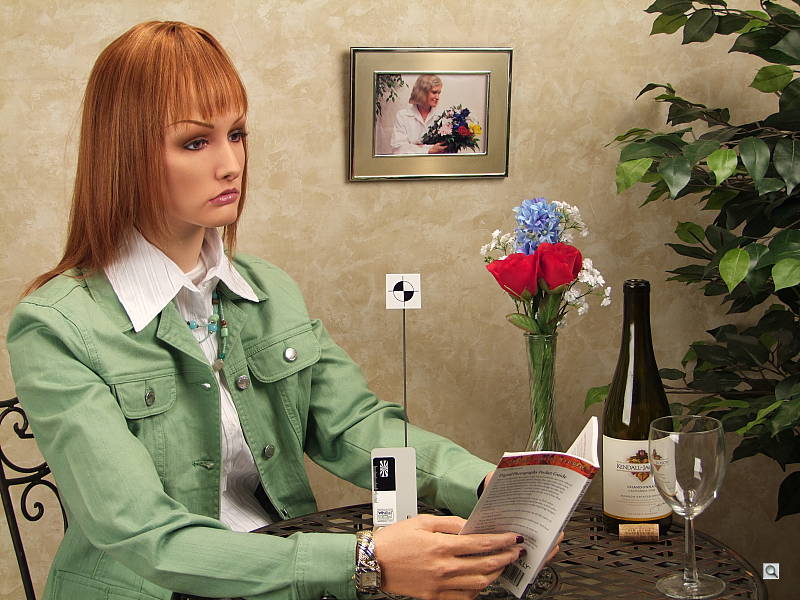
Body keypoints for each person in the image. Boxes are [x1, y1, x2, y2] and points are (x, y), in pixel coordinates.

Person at [7, 22, 560, 600]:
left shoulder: (266, 289)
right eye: (195, 142)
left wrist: (490, 486)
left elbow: (353, 425)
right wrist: (367, 561)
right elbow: (144, 534)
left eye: (236, 134)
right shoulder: (56, 328)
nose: (231, 164)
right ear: (125, 155)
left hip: (283, 573)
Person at [390, 74, 449, 155]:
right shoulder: (403, 116)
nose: (437, 97)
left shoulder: (442, 116)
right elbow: (398, 150)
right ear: (422, 92)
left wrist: (414, 147)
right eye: (434, 92)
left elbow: (445, 148)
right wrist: (429, 150)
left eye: (439, 93)